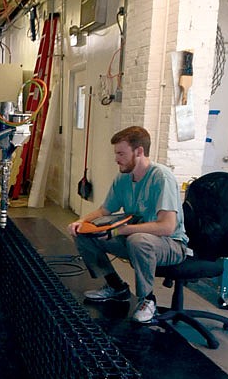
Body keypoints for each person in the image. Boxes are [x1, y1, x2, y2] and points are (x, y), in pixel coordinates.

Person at [67, 125, 188, 324]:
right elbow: (105, 210)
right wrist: (81, 221)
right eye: (116, 153)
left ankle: (147, 300)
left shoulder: (161, 178)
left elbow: (167, 227)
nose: (117, 159)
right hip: (135, 238)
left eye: (121, 153)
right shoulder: (123, 177)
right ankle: (116, 287)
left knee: (138, 239)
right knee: (83, 233)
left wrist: (121, 230)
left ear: (139, 151)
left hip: (171, 244)